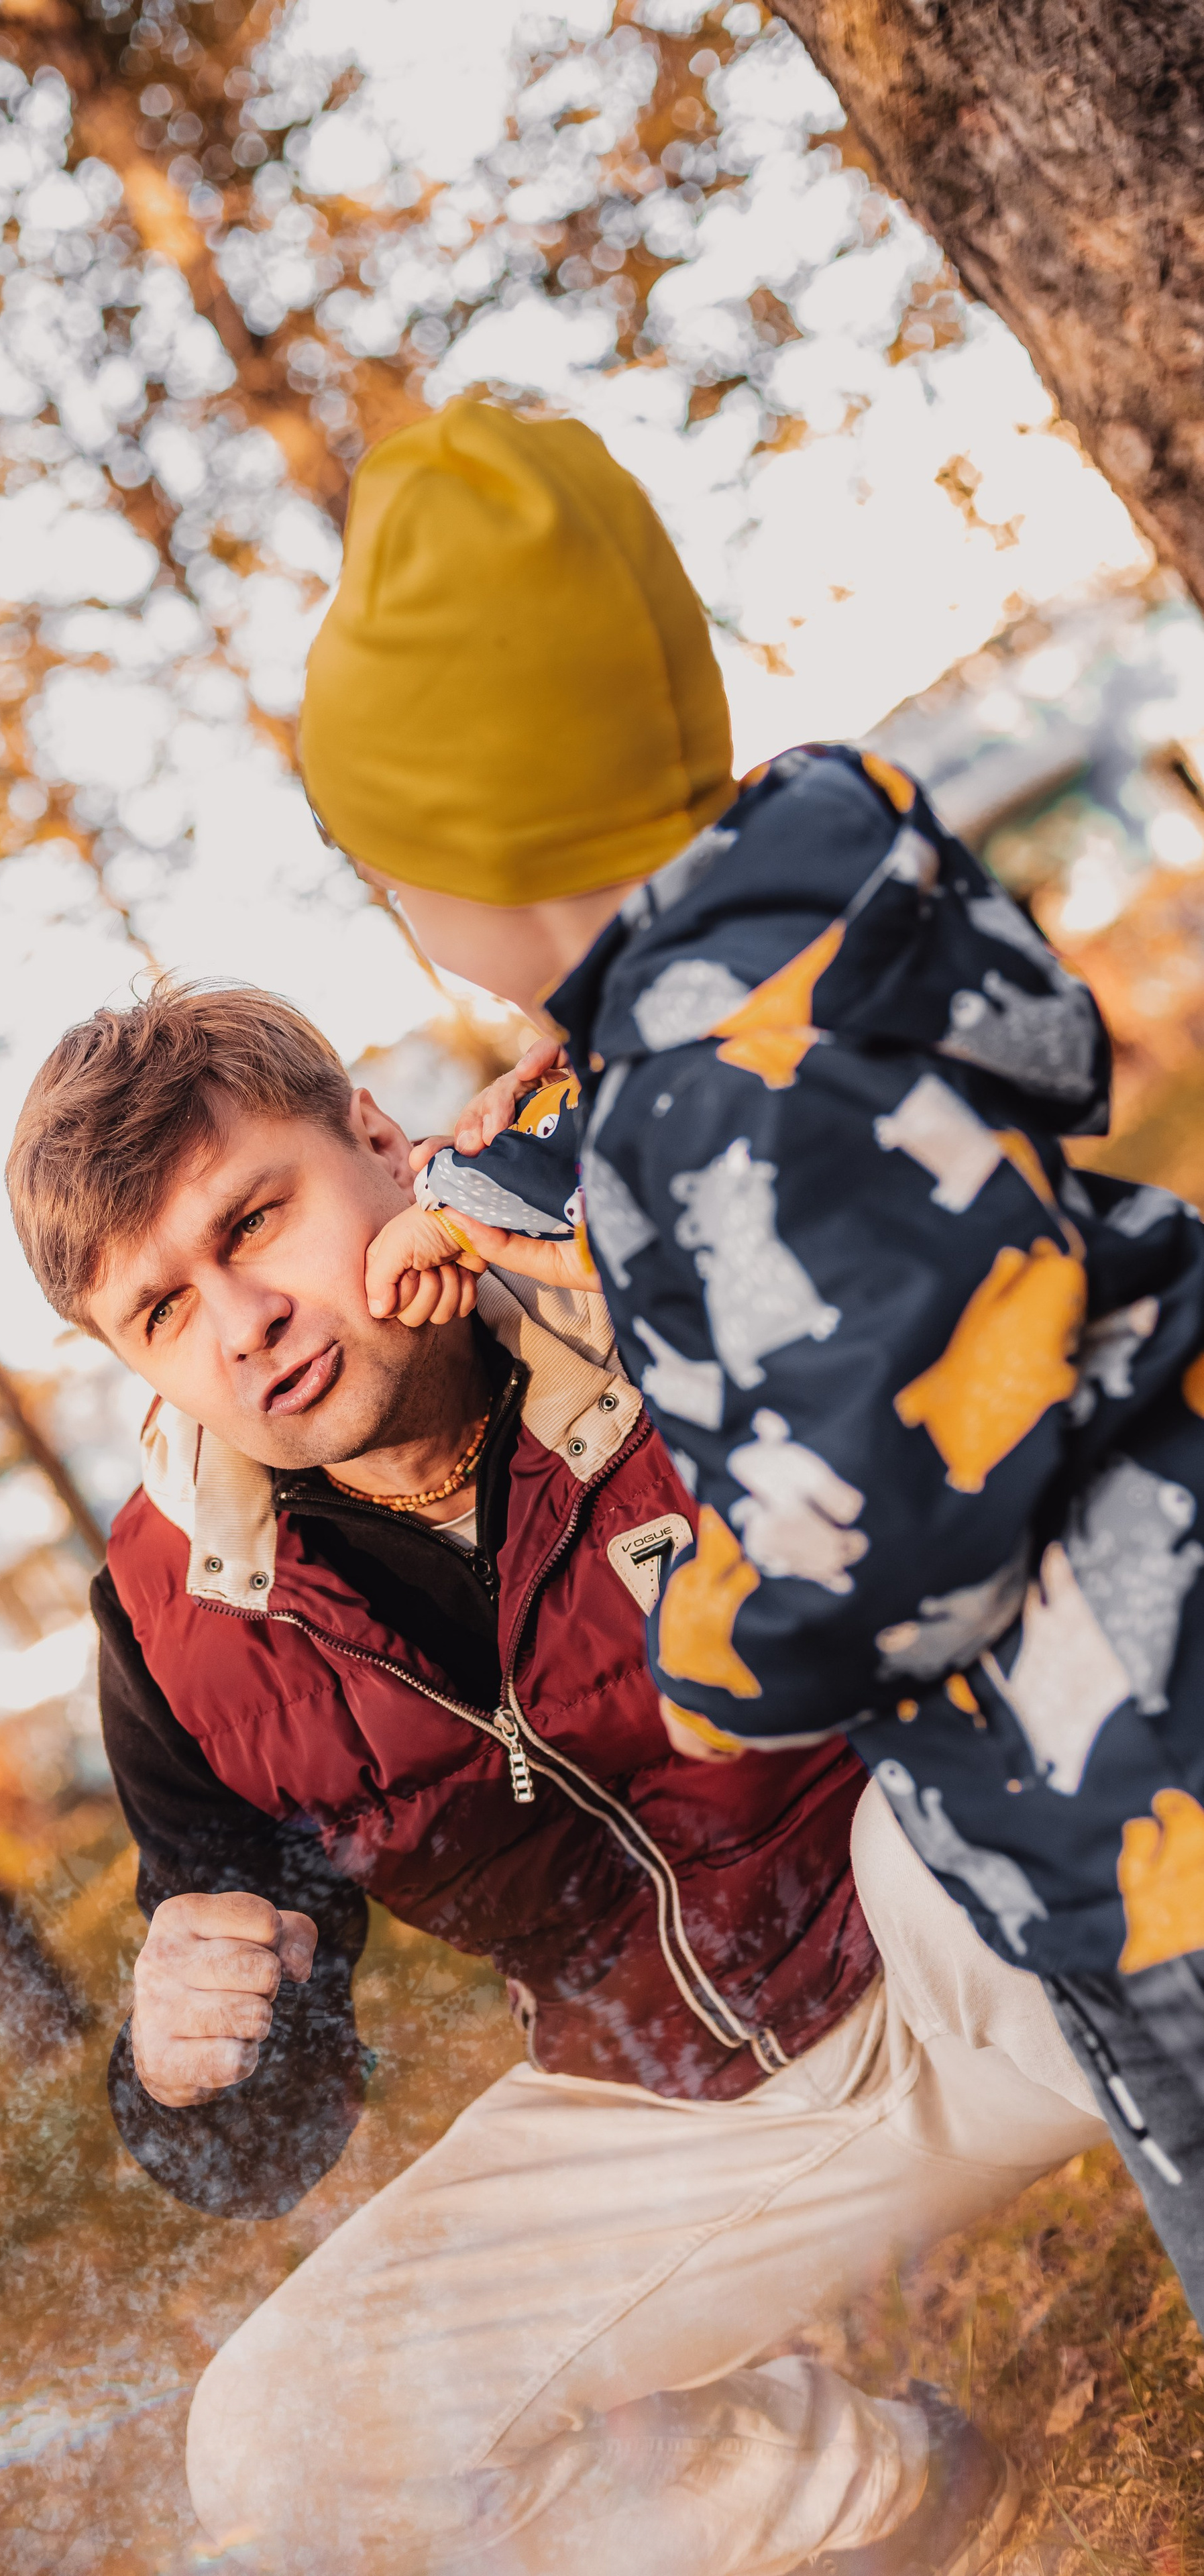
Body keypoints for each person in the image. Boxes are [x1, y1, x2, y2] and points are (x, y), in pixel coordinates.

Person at [4, 980, 1105, 2575]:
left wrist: (632, 1223)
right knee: (275, 2444)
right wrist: (189, 2072)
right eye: (162, 1311)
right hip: (666, 2112)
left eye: (255, 1221)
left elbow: (1031, 1368)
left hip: (967, 1933)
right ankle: (859, 2493)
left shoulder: (626, 1235)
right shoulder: (180, 1615)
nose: (241, 1320)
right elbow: (274, 2128)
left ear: (378, 1144)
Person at [300, 393, 1204, 2310]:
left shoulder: (706, 1115)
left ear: (477, 865)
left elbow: (884, 1520)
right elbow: (696, 1194)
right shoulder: (794, 949)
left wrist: (723, 1643)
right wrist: (466, 1195)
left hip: (1128, 1752)